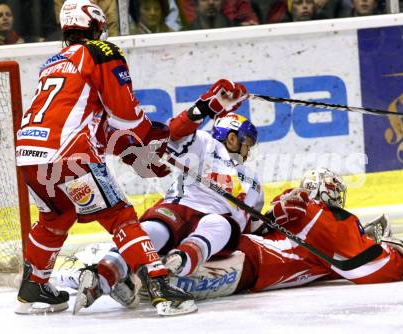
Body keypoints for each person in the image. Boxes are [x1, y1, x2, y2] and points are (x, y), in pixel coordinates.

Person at [14, 0, 197, 316]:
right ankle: (159, 285)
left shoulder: (53, 62)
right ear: (96, 27)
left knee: (55, 217)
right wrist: (148, 133)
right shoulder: (102, 52)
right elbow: (125, 114)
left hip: (30, 153)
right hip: (69, 154)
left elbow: (97, 126)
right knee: (120, 215)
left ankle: (34, 286)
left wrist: (133, 150)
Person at [56, 167, 403, 305]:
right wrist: (399, 256)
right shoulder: (322, 220)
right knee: (191, 251)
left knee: (163, 248)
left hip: (245, 257)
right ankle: (132, 274)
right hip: (250, 266)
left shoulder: (290, 213)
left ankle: (102, 271)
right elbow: (366, 266)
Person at [60, 79, 256, 313]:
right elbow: (173, 133)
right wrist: (208, 106)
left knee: (216, 225)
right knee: (157, 229)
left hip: (207, 219)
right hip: (179, 208)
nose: (249, 150)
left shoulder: (254, 180)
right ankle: (104, 274)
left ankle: (171, 264)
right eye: (248, 143)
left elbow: (253, 228)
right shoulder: (206, 142)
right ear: (234, 139)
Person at [54, 0, 120, 37]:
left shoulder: (108, 2)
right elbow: (62, 23)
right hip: (74, 45)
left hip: (101, 47)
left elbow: (112, 26)